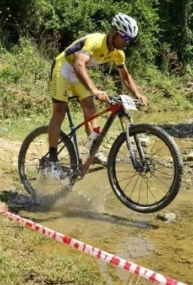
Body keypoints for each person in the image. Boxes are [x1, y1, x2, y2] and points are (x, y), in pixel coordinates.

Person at [47, 13, 148, 174]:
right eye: (125, 38)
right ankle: (52, 158)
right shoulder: (95, 41)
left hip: (77, 72)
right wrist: (94, 90)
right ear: (114, 31)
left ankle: (93, 152)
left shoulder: (118, 53)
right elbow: (79, 64)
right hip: (64, 67)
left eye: (130, 40)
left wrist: (137, 94)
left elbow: (125, 77)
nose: (127, 43)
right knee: (59, 111)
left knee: (90, 108)